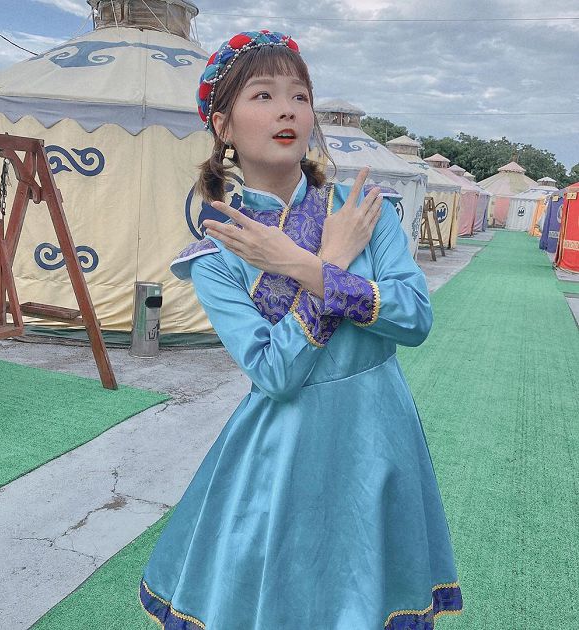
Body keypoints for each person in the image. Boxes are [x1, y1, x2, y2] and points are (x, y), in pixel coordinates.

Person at [140, 30, 463, 629]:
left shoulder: (364, 210)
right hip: (283, 451)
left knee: (368, 594)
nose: (287, 110)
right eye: (263, 95)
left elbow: (416, 319)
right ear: (223, 126)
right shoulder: (216, 255)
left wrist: (309, 269)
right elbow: (274, 373)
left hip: (378, 432)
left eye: (299, 96)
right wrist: (333, 265)